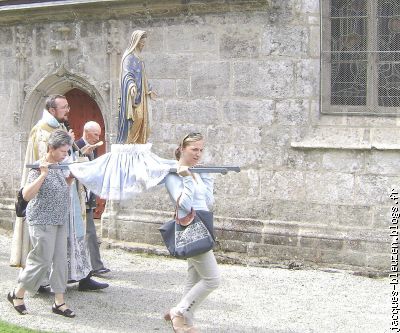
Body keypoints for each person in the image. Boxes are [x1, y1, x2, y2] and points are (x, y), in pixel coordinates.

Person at [10, 94, 108, 291]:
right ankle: (39, 283)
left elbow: (66, 156)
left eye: (68, 106)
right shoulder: (41, 130)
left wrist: (77, 150)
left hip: (68, 189)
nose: (68, 110)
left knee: (75, 233)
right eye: (63, 107)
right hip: (50, 192)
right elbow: (46, 161)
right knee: (48, 244)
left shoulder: (60, 128)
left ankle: (82, 276)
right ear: (52, 110)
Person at [8, 130, 75, 317]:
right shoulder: (39, 167)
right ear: (51, 148)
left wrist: (70, 179)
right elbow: (27, 195)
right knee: (41, 260)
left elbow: (59, 190)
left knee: (61, 260)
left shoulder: (60, 166)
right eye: (63, 151)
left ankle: (59, 302)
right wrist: (43, 174)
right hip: (42, 220)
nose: (65, 155)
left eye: (67, 151)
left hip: (59, 219)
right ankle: (17, 294)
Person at [164, 133, 221, 333]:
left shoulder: (195, 171)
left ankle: (186, 321)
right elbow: (184, 205)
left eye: (201, 149)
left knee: (194, 277)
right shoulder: (174, 173)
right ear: (183, 149)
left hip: (203, 225)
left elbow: (208, 202)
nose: (198, 154)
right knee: (213, 279)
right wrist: (186, 178)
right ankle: (179, 313)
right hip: (191, 229)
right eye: (194, 149)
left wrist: (206, 178)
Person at [75, 121, 110, 276]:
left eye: (99, 134)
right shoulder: (76, 147)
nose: (98, 137)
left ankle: (93, 265)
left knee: (90, 232)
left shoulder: (93, 149)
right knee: (89, 232)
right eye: (95, 134)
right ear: (86, 132)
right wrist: (83, 154)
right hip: (78, 196)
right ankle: (94, 266)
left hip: (89, 196)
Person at [116, 30, 157, 144]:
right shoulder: (129, 57)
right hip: (133, 95)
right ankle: (129, 141)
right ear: (136, 42)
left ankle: (138, 141)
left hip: (142, 95)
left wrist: (149, 90)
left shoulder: (140, 58)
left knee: (144, 119)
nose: (143, 45)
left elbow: (144, 76)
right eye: (141, 42)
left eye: (144, 42)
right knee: (137, 117)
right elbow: (127, 73)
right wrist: (131, 85)